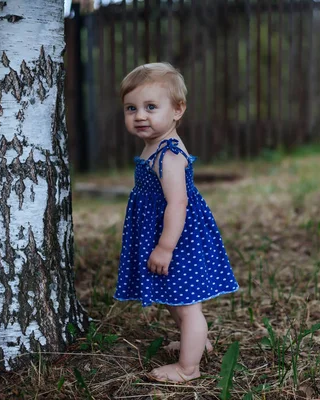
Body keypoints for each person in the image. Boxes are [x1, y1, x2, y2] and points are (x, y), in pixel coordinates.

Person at [113, 62, 240, 383]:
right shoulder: (154, 145)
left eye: (151, 107)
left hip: (176, 237)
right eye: (132, 108)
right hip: (166, 232)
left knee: (187, 306)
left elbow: (178, 202)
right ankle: (195, 344)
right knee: (175, 297)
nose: (140, 115)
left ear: (177, 110)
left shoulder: (168, 154)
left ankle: (188, 367)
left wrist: (165, 246)